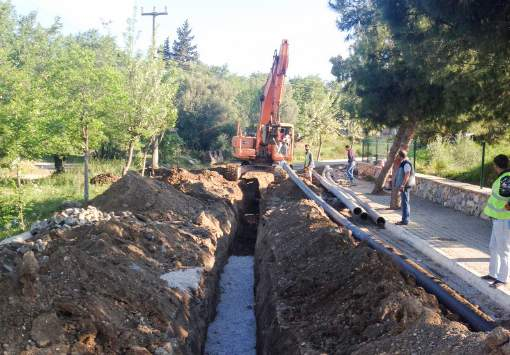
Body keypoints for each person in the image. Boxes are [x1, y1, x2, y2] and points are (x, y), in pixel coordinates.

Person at [481, 154, 510, 288]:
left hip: (504, 219)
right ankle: (493, 273)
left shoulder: (506, 178)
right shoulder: (503, 177)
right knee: (493, 247)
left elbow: (504, 195)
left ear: (495, 165)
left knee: (503, 250)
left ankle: (502, 278)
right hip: (497, 218)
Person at [394, 150, 415, 225]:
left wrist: (403, 185)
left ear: (400, 155)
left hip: (406, 186)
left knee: (405, 203)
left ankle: (405, 220)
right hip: (405, 185)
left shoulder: (406, 163)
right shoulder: (404, 162)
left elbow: (407, 174)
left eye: (398, 155)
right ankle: (404, 219)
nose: (397, 156)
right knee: (404, 202)